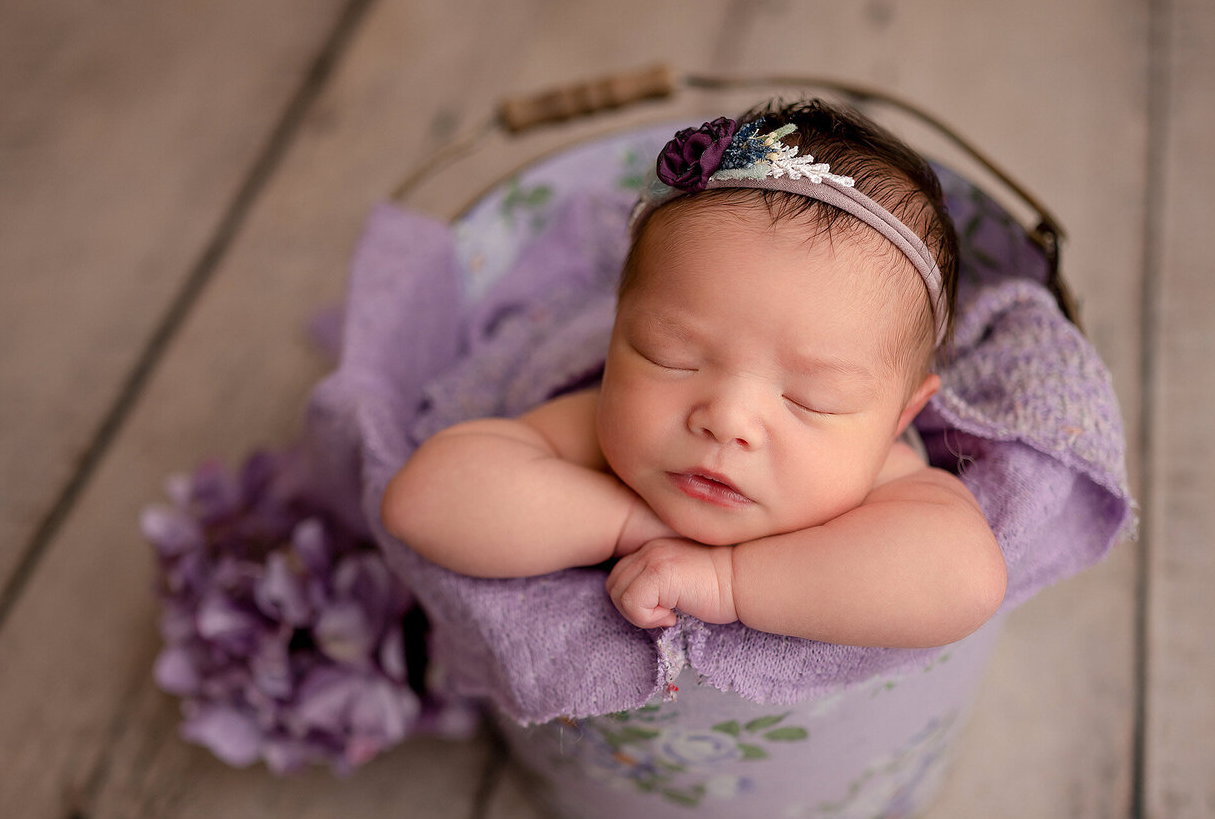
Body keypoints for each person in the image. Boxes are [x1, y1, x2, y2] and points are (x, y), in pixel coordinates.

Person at [382, 99, 1007, 649]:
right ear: (615, 333)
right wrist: (625, 522)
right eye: (669, 356)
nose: (727, 419)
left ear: (900, 418)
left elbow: (964, 581)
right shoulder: (600, 431)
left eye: (813, 399)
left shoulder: (888, 479)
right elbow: (424, 501)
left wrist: (726, 580)